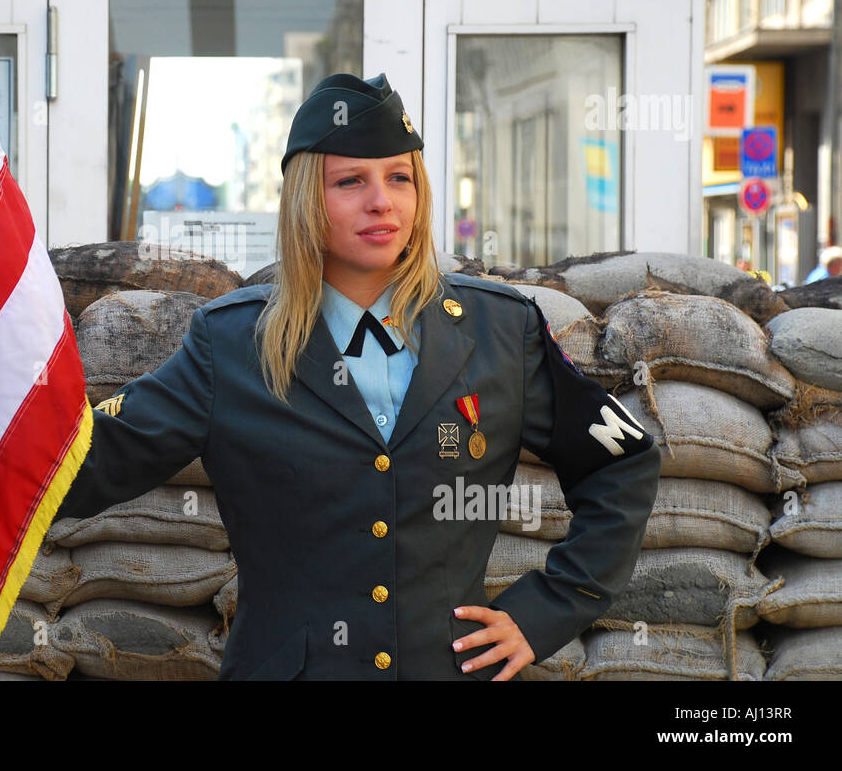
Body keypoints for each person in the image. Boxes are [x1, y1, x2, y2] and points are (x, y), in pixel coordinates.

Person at [56, 72, 660, 680]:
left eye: (400, 178)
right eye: (350, 182)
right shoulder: (233, 345)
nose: (382, 202)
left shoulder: (501, 331)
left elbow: (621, 460)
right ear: (304, 202)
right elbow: (94, 459)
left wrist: (546, 611)